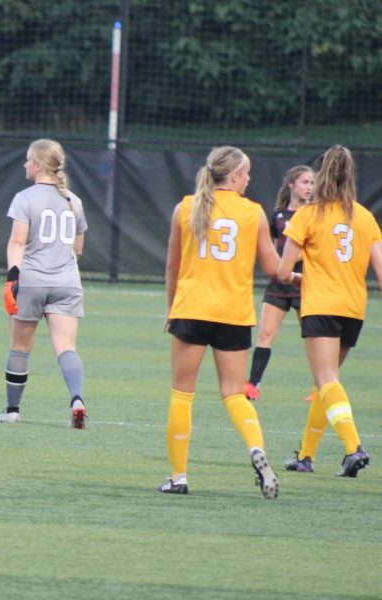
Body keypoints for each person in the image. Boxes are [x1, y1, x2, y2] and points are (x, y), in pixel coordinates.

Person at [160, 146, 282, 499]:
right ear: (233, 176)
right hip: (234, 314)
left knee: (182, 393)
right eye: (246, 173)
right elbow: (274, 269)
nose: (249, 179)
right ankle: (255, 449)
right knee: (233, 392)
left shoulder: (186, 207)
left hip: (192, 310)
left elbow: (172, 266)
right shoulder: (253, 213)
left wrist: (172, 308)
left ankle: (179, 477)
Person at [278, 145, 382, 477]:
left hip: (321, 305)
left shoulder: (308, 215)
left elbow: (282, 271)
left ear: (322, 176)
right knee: (325, 383)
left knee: (326, 379)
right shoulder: (364, 217)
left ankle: (354, 448)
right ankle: (305, 456)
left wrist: (300, 277)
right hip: (353, 308)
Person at [0, 139, 88, 428]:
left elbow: (17, 242)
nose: (25, 165)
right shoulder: (74, 201)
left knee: (20, 348)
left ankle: (12, 410)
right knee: (66, 348)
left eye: (28, 160)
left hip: (33, 280)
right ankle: (77, 400)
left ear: (37, 166)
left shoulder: (24, 198)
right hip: (67, 282)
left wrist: (13, 276)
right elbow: (78, 249)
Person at [245, 166, 314, 401]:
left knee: (313, 336)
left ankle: (320, 388)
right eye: (305, 182)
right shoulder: (278, 215)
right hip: (279, 284)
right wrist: (278, 266)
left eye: (312, 183)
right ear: (291, 184)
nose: (309, 187)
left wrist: (287, 262)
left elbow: (314, 250)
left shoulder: (315, 214)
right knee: (265, 333)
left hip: (305, 282)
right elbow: (274, 248)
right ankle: (253, 384)